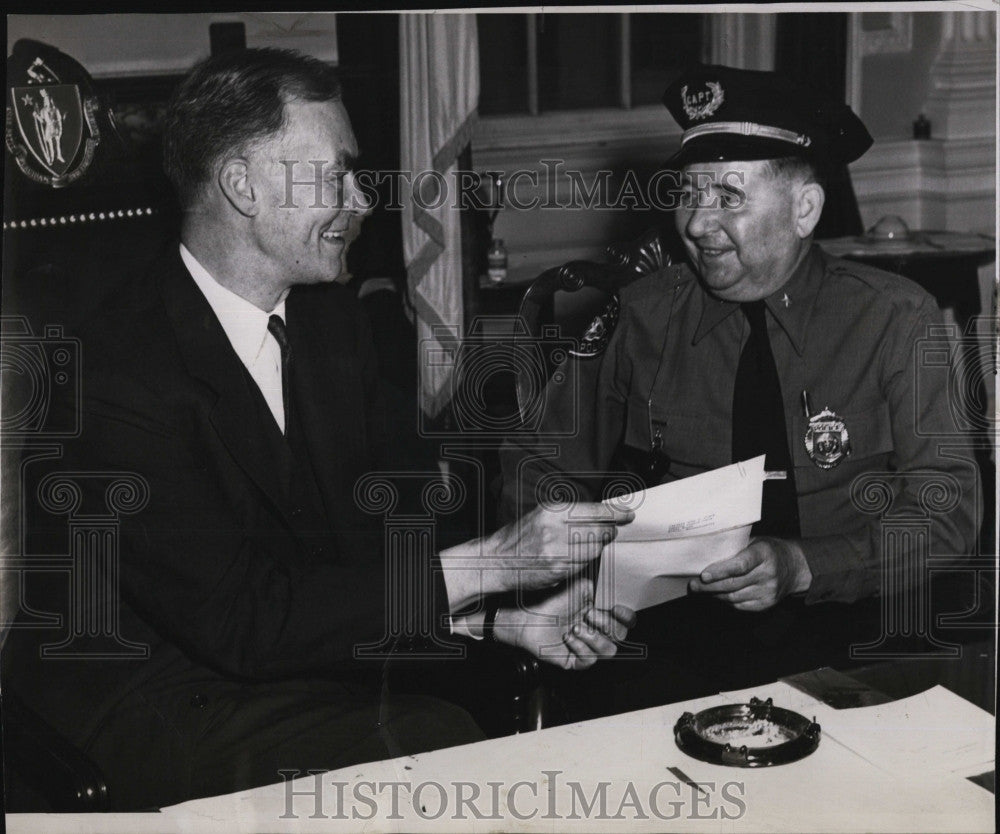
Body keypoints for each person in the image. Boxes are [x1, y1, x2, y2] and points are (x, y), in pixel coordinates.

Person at [3, 48, 634, 810]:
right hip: (145, 699)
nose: (363, 201)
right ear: (242, 186)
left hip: (294, 667)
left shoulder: (336, 326)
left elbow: (375, 548)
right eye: (336, 175)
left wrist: (498, 620)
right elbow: (243, 619)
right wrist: (496, 565)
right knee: (441, 756)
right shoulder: (113, 368)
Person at [499, 65, 979, 716]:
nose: (697, 224)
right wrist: (575, 575)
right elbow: (536, 460)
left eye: (728, 196)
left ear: (804, 209)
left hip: (852, 622)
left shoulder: (895, 319)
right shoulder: (641, 316)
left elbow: (946, 510)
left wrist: (809, 564)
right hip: (666, 635)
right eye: (689, 193)